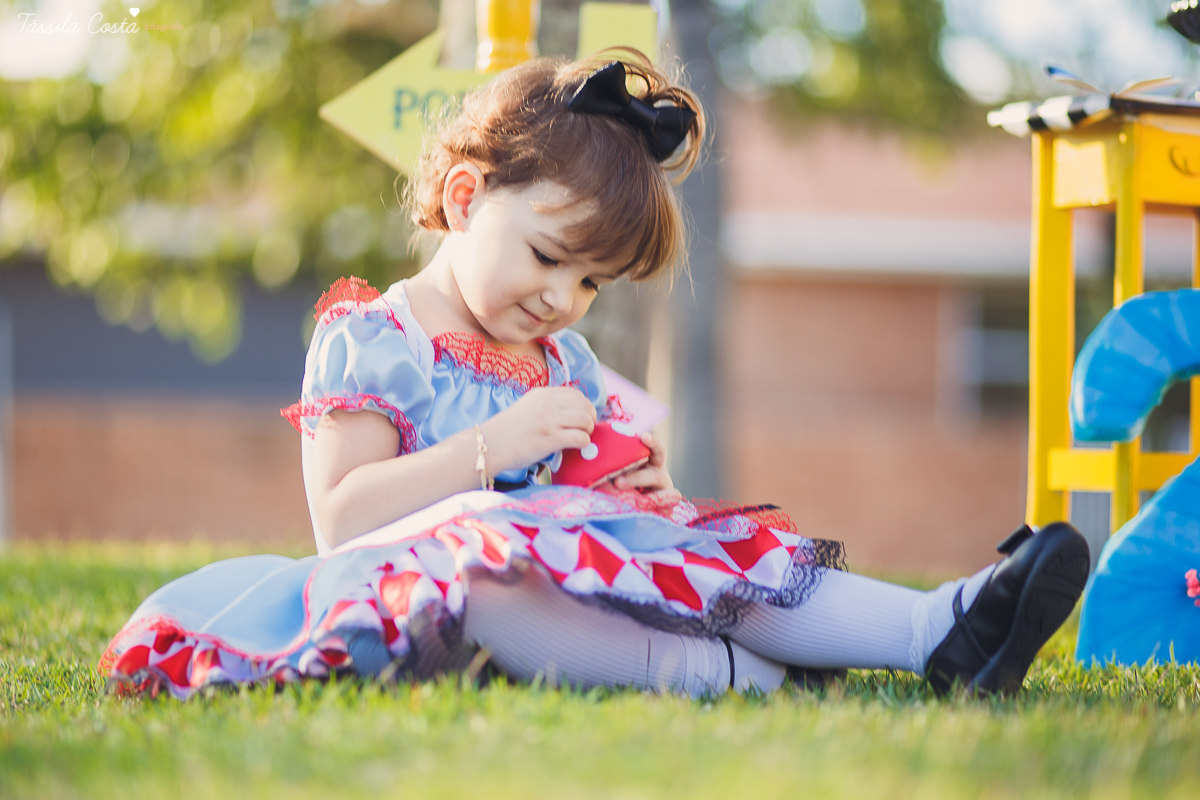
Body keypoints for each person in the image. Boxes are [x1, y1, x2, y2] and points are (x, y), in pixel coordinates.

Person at [101, 52, 1091, 700]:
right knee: (491, 562)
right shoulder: (375, 334)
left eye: (591, 280)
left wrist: (638, 487)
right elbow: (342, 523)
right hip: (426, 598)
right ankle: (729, 673)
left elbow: (617, 484)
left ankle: (939, 626)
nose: (564, 299)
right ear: (464, 195)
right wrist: (495, 449)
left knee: (700, 544)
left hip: (576, 589)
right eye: (547, 257)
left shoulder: (561, 356)